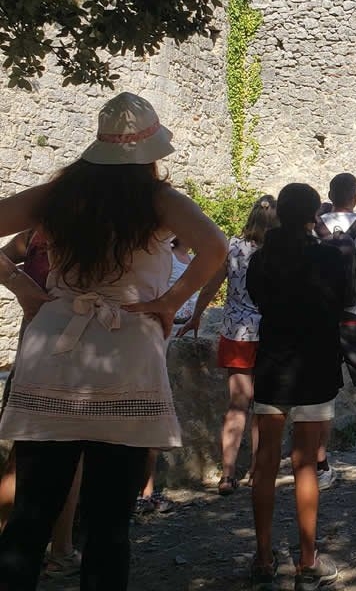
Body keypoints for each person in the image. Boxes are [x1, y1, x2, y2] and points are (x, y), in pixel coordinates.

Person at [0, 92, 226, 590]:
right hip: (126, 347)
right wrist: (169, 301)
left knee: (30, 517)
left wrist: (23, 287)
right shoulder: (160, 201)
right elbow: (215, 246)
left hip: (53, 345)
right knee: (109, 526)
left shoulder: (56, 196)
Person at [245, 183, 350, 591]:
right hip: (316, 367)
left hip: (273, 366)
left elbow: (257, 300)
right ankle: (307, 559)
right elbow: (347, 298)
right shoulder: (329, 256)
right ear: (312, 215)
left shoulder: (261, 259)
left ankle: (263, 556)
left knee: (265, 462)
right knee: (306, 464)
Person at [180, 195, 278, 495]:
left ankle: (227, 474)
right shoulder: (279, 250)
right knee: (263, 407)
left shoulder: (233, 247)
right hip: (271, 334)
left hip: (237, 333)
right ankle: (258, 471)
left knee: (237, 405)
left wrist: (196, 316)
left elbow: (211, 285)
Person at [0, 230, 83, 580]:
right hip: (76, 356)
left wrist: (21, 286)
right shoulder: (97, 229)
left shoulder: (36, 233)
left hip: (32, 354)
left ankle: (8, 547)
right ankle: (61, 551)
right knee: (71, 454)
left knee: (22, 453)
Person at [313, 172, 356, 491]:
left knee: (320, 393)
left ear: (330, 194)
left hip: (322, 319)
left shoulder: (314, 227)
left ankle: (320, 464)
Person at [135, 237, 199, 516]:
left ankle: (145, 492)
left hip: (150, 338)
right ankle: (143, 493)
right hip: (149, 340)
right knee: (149, 413)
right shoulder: (159, 255)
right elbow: (215, 247)